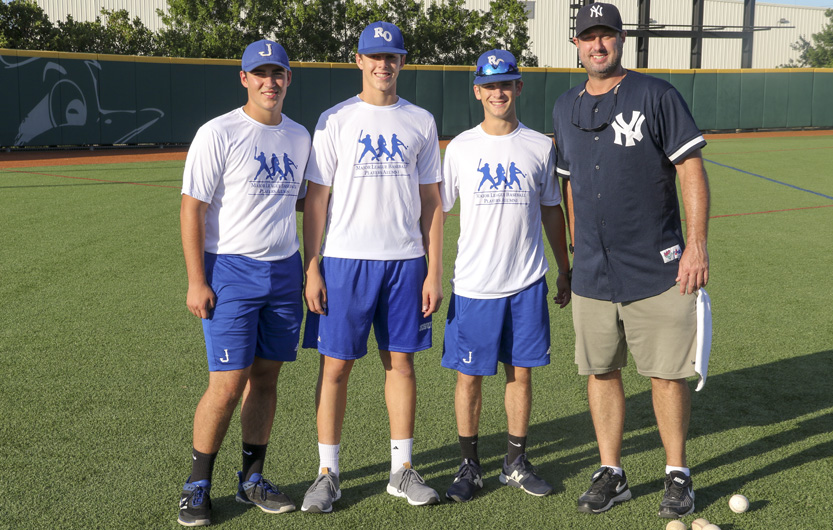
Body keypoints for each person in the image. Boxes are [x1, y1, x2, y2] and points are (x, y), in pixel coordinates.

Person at [552, 2, 711, 520]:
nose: (598, 44)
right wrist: (575, 255)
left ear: (621, 41)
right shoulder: (564, 106)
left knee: (666, 375)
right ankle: (612, 472)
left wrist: (697, 243)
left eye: (607, 35)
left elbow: (689, 168)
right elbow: (570, 186)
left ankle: (677, 474)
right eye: (588, 36)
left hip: (656, 264)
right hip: (595, 271)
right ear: (576, 46)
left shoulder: (655, 94)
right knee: (602, 372)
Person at [299, 21, 444, 512]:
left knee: (401, 363)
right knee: (335, 366)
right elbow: (316, 200)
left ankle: (401, 469)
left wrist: (433, 269)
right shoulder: (335, 119)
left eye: (393, 57)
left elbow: (432, 204)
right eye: (375, 57)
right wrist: (312, 265)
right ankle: (328, 473)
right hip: (344, 260)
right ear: (358, 61)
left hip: (405, 261)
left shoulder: (420, 120)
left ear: (402, 62)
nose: (384, 65)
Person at [177, 40, 310, 527]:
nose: (270, 82)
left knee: (267, 378)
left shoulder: (299, 137)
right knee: (227, 384)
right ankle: (197, 485)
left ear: (289, 79)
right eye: (261, 73)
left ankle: (252, 478)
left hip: (284, 270)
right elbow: (193, 207)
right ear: (244, 78)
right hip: (230, 270)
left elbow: (298, 201)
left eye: (278, 73)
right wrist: (197, 280)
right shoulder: (219, 132)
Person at [439, 49, 572, 503]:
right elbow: (437, 211)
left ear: (518, 87)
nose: (498, 91)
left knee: (521, 374)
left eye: (506, 83)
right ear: (477, 91)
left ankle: (514, 462)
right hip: (475, 284)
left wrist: (564, 269)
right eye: (489, 84)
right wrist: (431, 274)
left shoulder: (539, 145)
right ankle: (468, 465)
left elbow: (552, 211)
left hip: (527, 281)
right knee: (469, 377)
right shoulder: (459, 148)